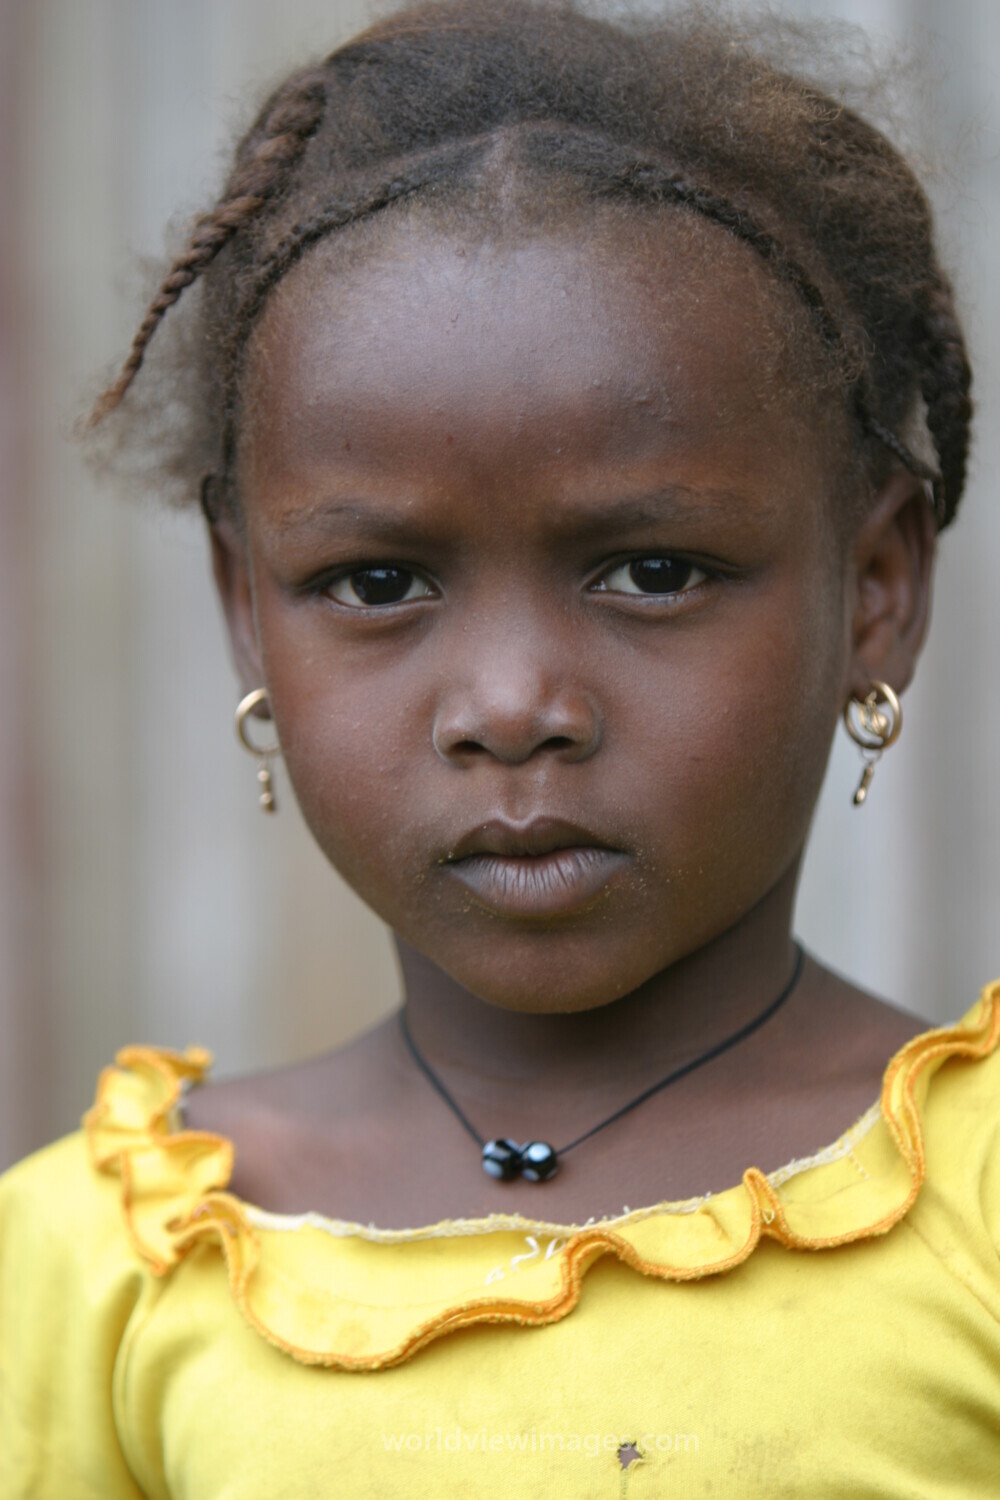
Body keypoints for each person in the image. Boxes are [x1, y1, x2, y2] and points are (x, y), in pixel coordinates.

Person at [1, 1, 997, 1493]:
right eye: (379, 583)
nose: (515, 704)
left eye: (652, 571)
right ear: (245, 610)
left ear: (876, 589)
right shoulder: (102, 1270)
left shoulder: (970, 1210)